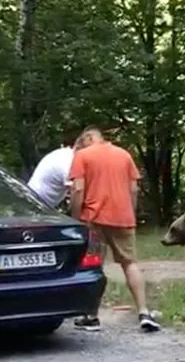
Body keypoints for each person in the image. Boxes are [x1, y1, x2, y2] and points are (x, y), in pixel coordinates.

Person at [68, 127, 160, 333]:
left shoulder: (82, 156)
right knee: (130, 264)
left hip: (93, 219)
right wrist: (130, 212)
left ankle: (91, 317)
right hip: (123, 217)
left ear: (88, 139)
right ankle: (144, 313)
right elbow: (134, 189)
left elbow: (78, 189)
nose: (79, 148)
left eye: (80, 144)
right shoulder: (124, 155)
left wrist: (76, 218)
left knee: (93, 266)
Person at [27, 132, 79, 210]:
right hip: (35, 204)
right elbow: (77, 190)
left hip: (39, 201)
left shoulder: (64, 154)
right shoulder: (67, 161)